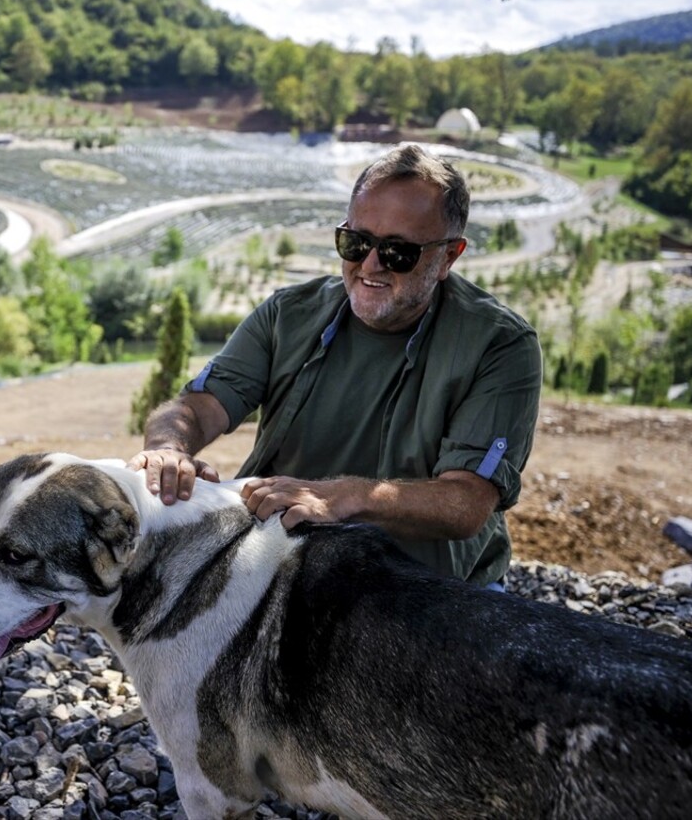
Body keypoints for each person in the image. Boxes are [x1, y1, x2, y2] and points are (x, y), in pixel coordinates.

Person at [129, 144, 542, 588]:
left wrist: (341, 497)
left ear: (448, 257)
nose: (369, 265)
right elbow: (197, 407)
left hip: (429, 585)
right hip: (282, 556)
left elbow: (465, 503)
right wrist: (169, 448)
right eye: (356, 242)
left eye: (397, 252)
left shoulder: (499, 345)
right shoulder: (289, 313)